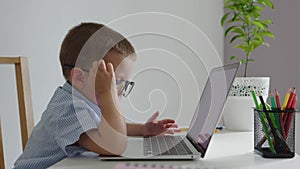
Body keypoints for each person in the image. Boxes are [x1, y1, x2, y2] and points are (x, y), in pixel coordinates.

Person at [13, 22, 178, 169]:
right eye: (115, 81)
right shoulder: (67, 109)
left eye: (123, 82)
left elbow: (105, 129)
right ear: (79, 77)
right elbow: (114, 146)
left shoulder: (85, 102)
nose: (120, 89)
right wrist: (107, 93)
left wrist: (143, 129)